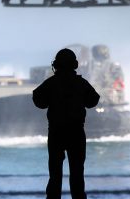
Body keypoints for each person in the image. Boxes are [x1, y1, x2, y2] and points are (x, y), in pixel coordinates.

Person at [32, 49, 100, 199]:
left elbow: (38, 99)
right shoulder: (81, 83)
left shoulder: (51, 83)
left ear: (56, 65)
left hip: (56, 132)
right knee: (77, 174)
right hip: (76, 132)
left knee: (55, 175)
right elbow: (93, 100)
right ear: (74, 65)